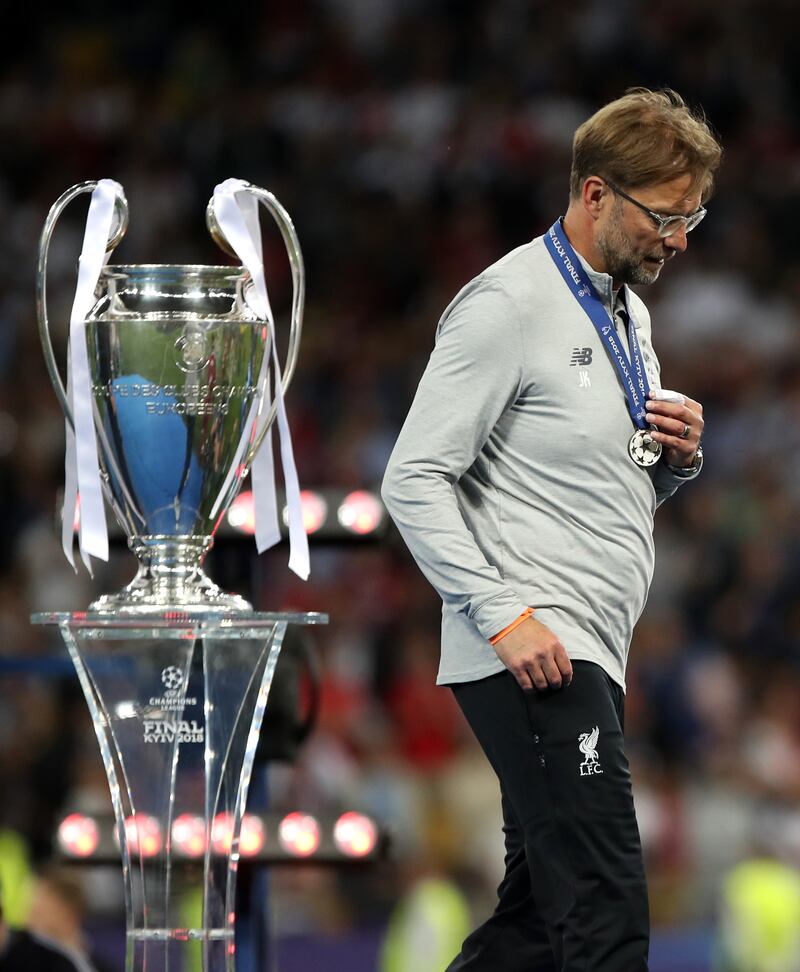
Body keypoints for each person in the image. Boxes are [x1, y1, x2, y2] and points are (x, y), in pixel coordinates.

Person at [381, 87, 722, 971]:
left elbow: (593, 494)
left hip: (587, 644)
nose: (680, 240)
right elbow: (413, 479)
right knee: (606, 910)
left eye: (695, 217)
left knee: (536, 925)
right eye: (668, 216)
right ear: (597, 193)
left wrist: (673, 463)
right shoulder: (506, 304)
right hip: (535, 645)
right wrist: (503, 612)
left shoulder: (625, 312)